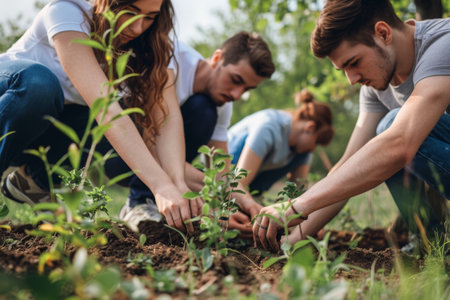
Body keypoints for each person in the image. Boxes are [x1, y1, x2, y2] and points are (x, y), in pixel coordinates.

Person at [254, 0, 450, 251]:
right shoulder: (376, 85)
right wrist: (290, 241)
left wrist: (296, 206)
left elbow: (399, 143)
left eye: (353, 62)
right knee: (379, 140)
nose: (352, 79)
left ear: (383, 33)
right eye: (344, 69)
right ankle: (431, 243)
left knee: (391, 127)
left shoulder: (442, 43)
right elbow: (348, 166)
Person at [0, 0, 198, 233]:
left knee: (122, 123)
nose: (137, 28)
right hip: (11, 100)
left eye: (150, 17)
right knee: (40, 84)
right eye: (129, 13)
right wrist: (160, 185)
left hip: (44, 132)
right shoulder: (68, 11)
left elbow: (166, 119)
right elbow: (107, 109)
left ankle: (34, 181)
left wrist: (177, 183)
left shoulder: (150, 46)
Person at [106, 32, 276, 234]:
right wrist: (205, 199)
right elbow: (149, 148)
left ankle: (154, 201)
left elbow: (220, 172)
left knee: (204, 108)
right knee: (202, 109)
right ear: (217, 58)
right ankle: (140, 202)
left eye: (247, 88)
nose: (236, 94)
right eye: (235, 79)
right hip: (113, 147)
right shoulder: (170, 60)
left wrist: (246, 204)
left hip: (159, 162)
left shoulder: (222, 103)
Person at [228, 89, 334, 195]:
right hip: (226, 175)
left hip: (246, 189)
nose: (312, 149)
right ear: (310, 127)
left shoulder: (302, 152)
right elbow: (237, 186)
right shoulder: (268, 127)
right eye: (316, 142)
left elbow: (297, 194)